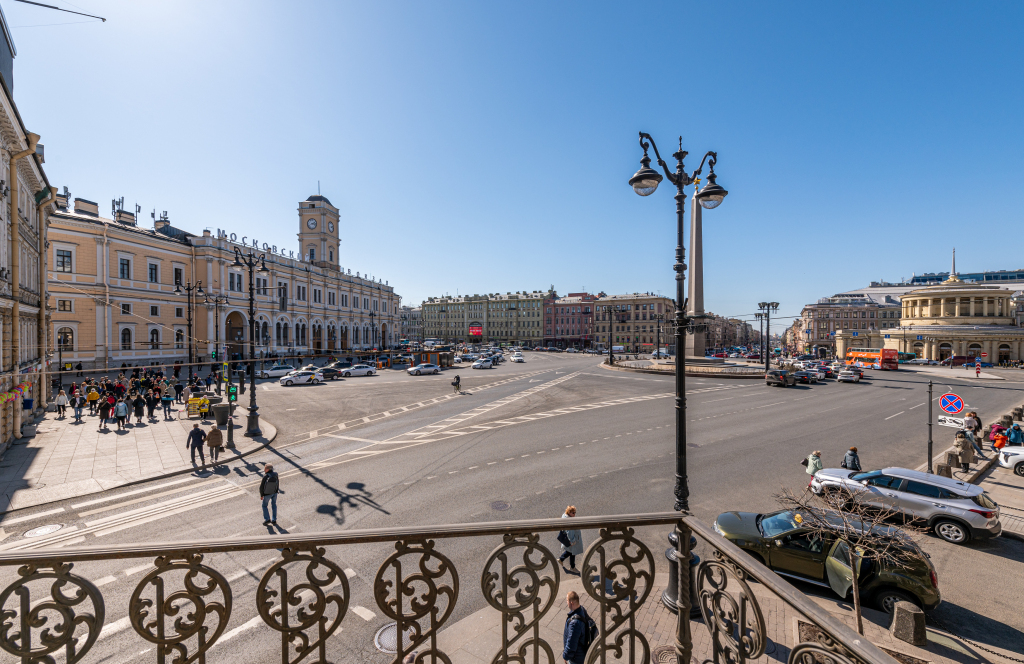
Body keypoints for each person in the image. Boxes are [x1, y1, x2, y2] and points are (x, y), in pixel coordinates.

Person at [561, 590, 593, 664]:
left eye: (567, 600)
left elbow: (571, 645)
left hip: (576, 659)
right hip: (580, 654)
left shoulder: (574, 624)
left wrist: (565, 657)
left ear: (571, 603)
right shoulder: (581, 609)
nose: (566, 602)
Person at [558, 506, 583, 572]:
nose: (574, 514)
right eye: (573, 513)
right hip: (573, 540)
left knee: (570, 552)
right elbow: (570, 532)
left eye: (575, 512)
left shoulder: (565, 516)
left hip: (570, 539)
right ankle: (572, 567)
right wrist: (572, 542)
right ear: (569, 512)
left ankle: (561, 559)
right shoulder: (570, 521)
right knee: (572, 553)